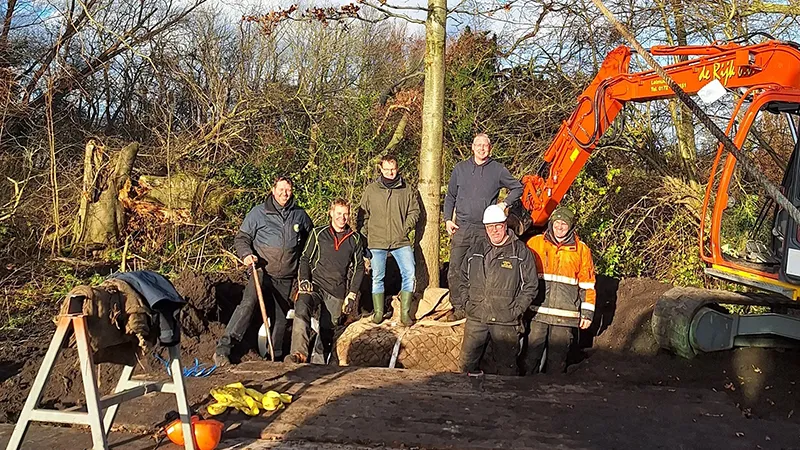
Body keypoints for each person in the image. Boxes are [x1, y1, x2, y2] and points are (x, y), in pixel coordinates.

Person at [215, 176, 313, 366]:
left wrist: (303, 265)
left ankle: (273, 357)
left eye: (288, 190)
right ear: (273, 190)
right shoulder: (258, 213)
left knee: (280, 316)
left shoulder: (299, 214)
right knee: (248, 305)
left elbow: (310, 240)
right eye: (281, 189)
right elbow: (242, 237)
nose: (284, 194)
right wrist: (246, 254)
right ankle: (224, 348)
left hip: (285, 275)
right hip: (261, 271)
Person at [444, 133, 523, 320]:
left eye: (485, 145)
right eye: (478, 145)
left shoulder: (497, 170)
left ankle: (479, 306)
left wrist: (504, 204)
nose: (481, 148)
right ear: (472, 147)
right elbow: (450, 196)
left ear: (490, 148)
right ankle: (458, 307)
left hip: (486, 229)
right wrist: (448, 219)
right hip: (462, 227)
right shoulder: (460, 169)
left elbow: (518, 188)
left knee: (482, 269)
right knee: (455, 269)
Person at [459, 205, 538, 376]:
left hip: (506, 321)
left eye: (498, 226)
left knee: (506, 368)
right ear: (485, 228)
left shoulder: (521, 252)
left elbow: (530, 286)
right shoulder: (476, 249)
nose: (494, 230)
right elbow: (462, 277)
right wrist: (467, 303)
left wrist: (515, 310)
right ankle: (466, 400)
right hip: (476, 317)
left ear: (505, 225)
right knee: (467, 365)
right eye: (490, 227)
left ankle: (504, 401)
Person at [287, 199, 365, 364]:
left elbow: (359, 268)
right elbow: (305, 258)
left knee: (327, 330)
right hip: (315, 284)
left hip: (337, 290)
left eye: (345, 214)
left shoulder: (356, 239)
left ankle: (318, 364)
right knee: (301, 306)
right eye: (338, 213)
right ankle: (298, 355)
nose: (342, 218)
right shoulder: (318, 233)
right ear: (331, 213)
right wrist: (304, 280)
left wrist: (352, 294)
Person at [525, 207, 596, 374]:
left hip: (565, 316)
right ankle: (526, 392)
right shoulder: (535, 244)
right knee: (530, 356)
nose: (560, 226)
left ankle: (553, 394)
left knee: (557, 360)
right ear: (551, 223)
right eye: (557, 222)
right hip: (538, 312)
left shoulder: (581, 250)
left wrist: (587, 314)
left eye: (564, 223)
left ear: (570, 226)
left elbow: (587, 284)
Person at [357, 154, 420, 326]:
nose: (390, 172)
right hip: (376, 241)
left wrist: (404, 228)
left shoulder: (406, 189)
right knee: (378, 277)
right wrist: (364, 238)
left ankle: (405, 313)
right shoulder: (371, 190)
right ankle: (378, 312)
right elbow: (362, 216)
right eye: (387, 169)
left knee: (410, 273)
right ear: (381, 169)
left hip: (401, 241)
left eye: (393, 169)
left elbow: (414, 211)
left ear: (397, 168)